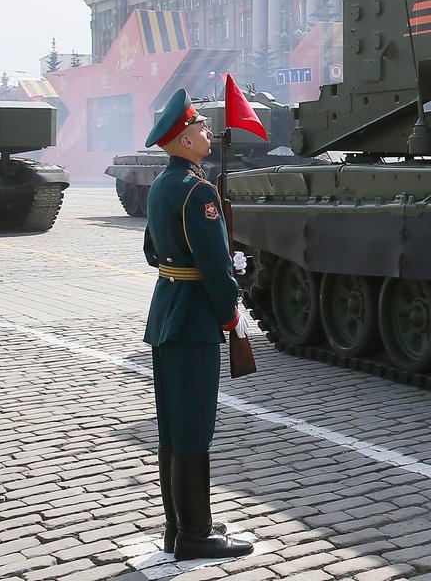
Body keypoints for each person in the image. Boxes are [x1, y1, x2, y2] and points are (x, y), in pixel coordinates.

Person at [142, 90, 254, 561]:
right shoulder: (199, 190)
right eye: (202, 128)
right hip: (194, 321)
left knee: (174, 425)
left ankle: (178, 525)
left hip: (168, 310)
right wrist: (232, 315)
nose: (209, 134)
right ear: (185, 139)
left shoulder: (162, 185)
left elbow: (151, 251)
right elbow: (214, 268)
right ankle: (195, 534)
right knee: (193, 427)